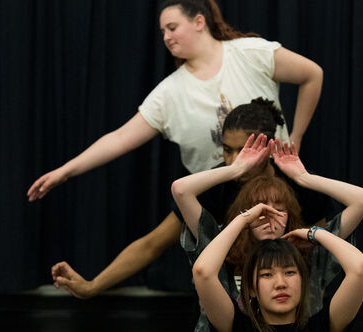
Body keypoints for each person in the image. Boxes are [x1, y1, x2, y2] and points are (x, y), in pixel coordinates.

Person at [27, 0, 323, 201]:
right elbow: (119, 138)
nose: (166, 37)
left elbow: (312, 74)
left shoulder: (251, 54)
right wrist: (64, 171)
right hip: (218, 199)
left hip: (276, 186)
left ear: (198, 22)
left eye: (172, 27)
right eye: (162, 32)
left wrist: (295, 136)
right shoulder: (168, 93)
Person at [50, 98, 333, 300]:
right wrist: (92, 286)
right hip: (230, 302)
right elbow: (153, 243)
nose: (234, 160)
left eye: (243, 150)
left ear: (268, 147)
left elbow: (320, 252)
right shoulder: (215, 185)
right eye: (227, 150)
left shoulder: (299, 185)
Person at [171, 133, 363, 332]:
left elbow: (362, 200)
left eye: (278, 210)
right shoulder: (222, 248)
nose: (268, 217)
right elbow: (181, 190)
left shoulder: (309, 253)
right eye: (260, 209)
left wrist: (304, 178)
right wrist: (235, 171)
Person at [191, 204, 363, 332]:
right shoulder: (238, 331)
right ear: (252, 289)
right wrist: (244, 219)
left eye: (290, 272)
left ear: (303, 282)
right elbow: (203, 272)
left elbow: (361, 268)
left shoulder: (322, 329)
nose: (280, 283)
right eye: (267, 274)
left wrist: (314, 233)